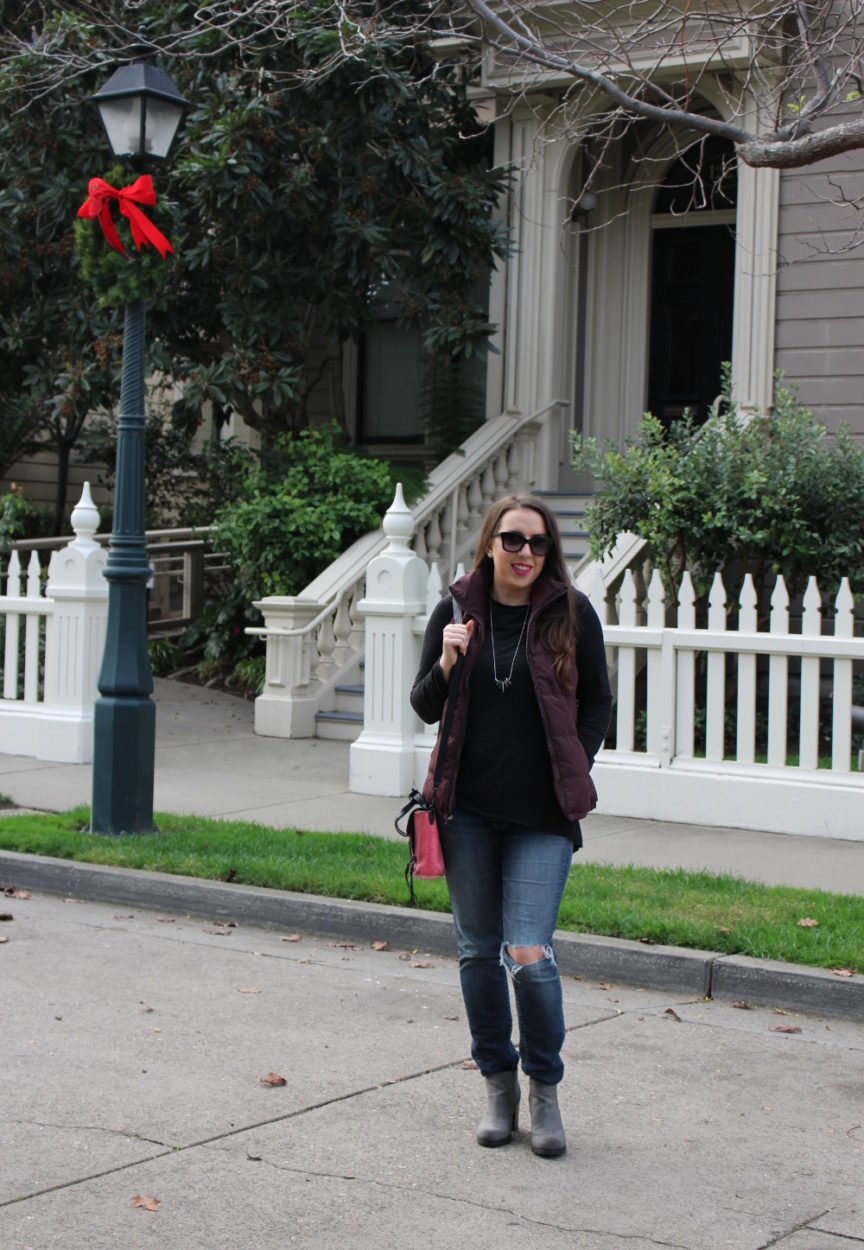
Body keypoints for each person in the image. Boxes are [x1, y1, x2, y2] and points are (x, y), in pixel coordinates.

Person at [410, 494, 612, 1158]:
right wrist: (446, 659)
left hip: (543, 816)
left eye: (540, 543)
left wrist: (573, 763)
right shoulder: (457, 609)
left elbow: (598, 702)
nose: (528, 554)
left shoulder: (570, 614)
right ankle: (498, 1084)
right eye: (515, 540)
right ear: (490, 543)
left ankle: (544, 1089)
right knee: (476, 950)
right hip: (466, 810)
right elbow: (422, 705)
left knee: (528, 951)